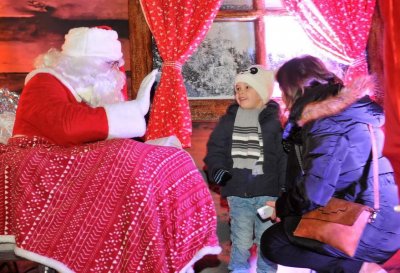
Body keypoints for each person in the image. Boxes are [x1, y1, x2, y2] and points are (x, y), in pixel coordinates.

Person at [0, 26, 221, 273]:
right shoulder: (44, 81)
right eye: (109, 65)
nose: (115, 72)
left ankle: (166, 243)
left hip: (76, 163)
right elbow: (67, 126)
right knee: (125, 157)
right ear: (84, 64)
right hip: (38, 160)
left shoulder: (90, 92)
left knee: (167, 158)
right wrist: (131, 114)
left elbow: (99, 134)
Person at [260, 55, 400, 273]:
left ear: (293, 90)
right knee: (298, 225)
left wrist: (282, 207)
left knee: (274, 242)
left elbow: (313, 193)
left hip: (369, 228)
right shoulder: (353, 111)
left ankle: (362, 269)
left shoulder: (325, 122)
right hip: (388, 217)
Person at [204, 65, 287, 273]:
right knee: (240, 242)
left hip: (268, 196)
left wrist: (284, 191)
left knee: (266, 242)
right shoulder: (228, 121)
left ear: (262, 92)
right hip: (238, 194)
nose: (240, 93)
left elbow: (284, 159)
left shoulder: (276, 123)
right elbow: (215, 150)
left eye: (247, 88)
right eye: (238, 89)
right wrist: (218, 170)